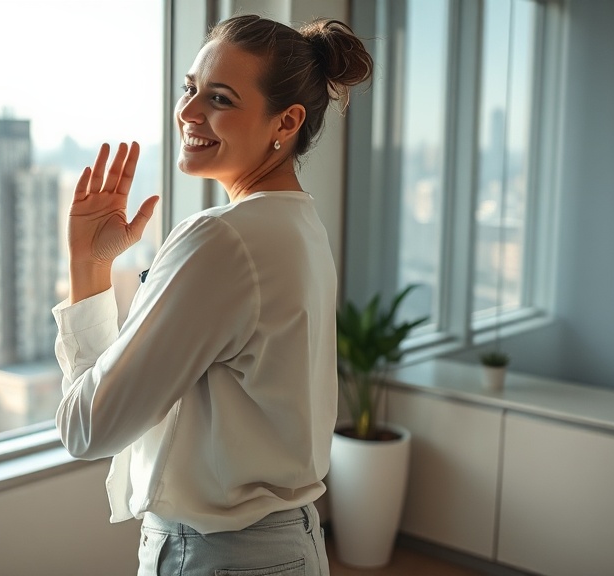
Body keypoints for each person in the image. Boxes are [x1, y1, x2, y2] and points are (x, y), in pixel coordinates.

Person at [52, 13, 373, 576]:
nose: (189, 112)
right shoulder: (299, 226)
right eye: (190, 88)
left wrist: (87, 266)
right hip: (289, 546)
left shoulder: (222, 238)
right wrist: (100, 262)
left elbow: (88, 427)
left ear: (287, 121)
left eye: (220, 98)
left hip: (221, 558)